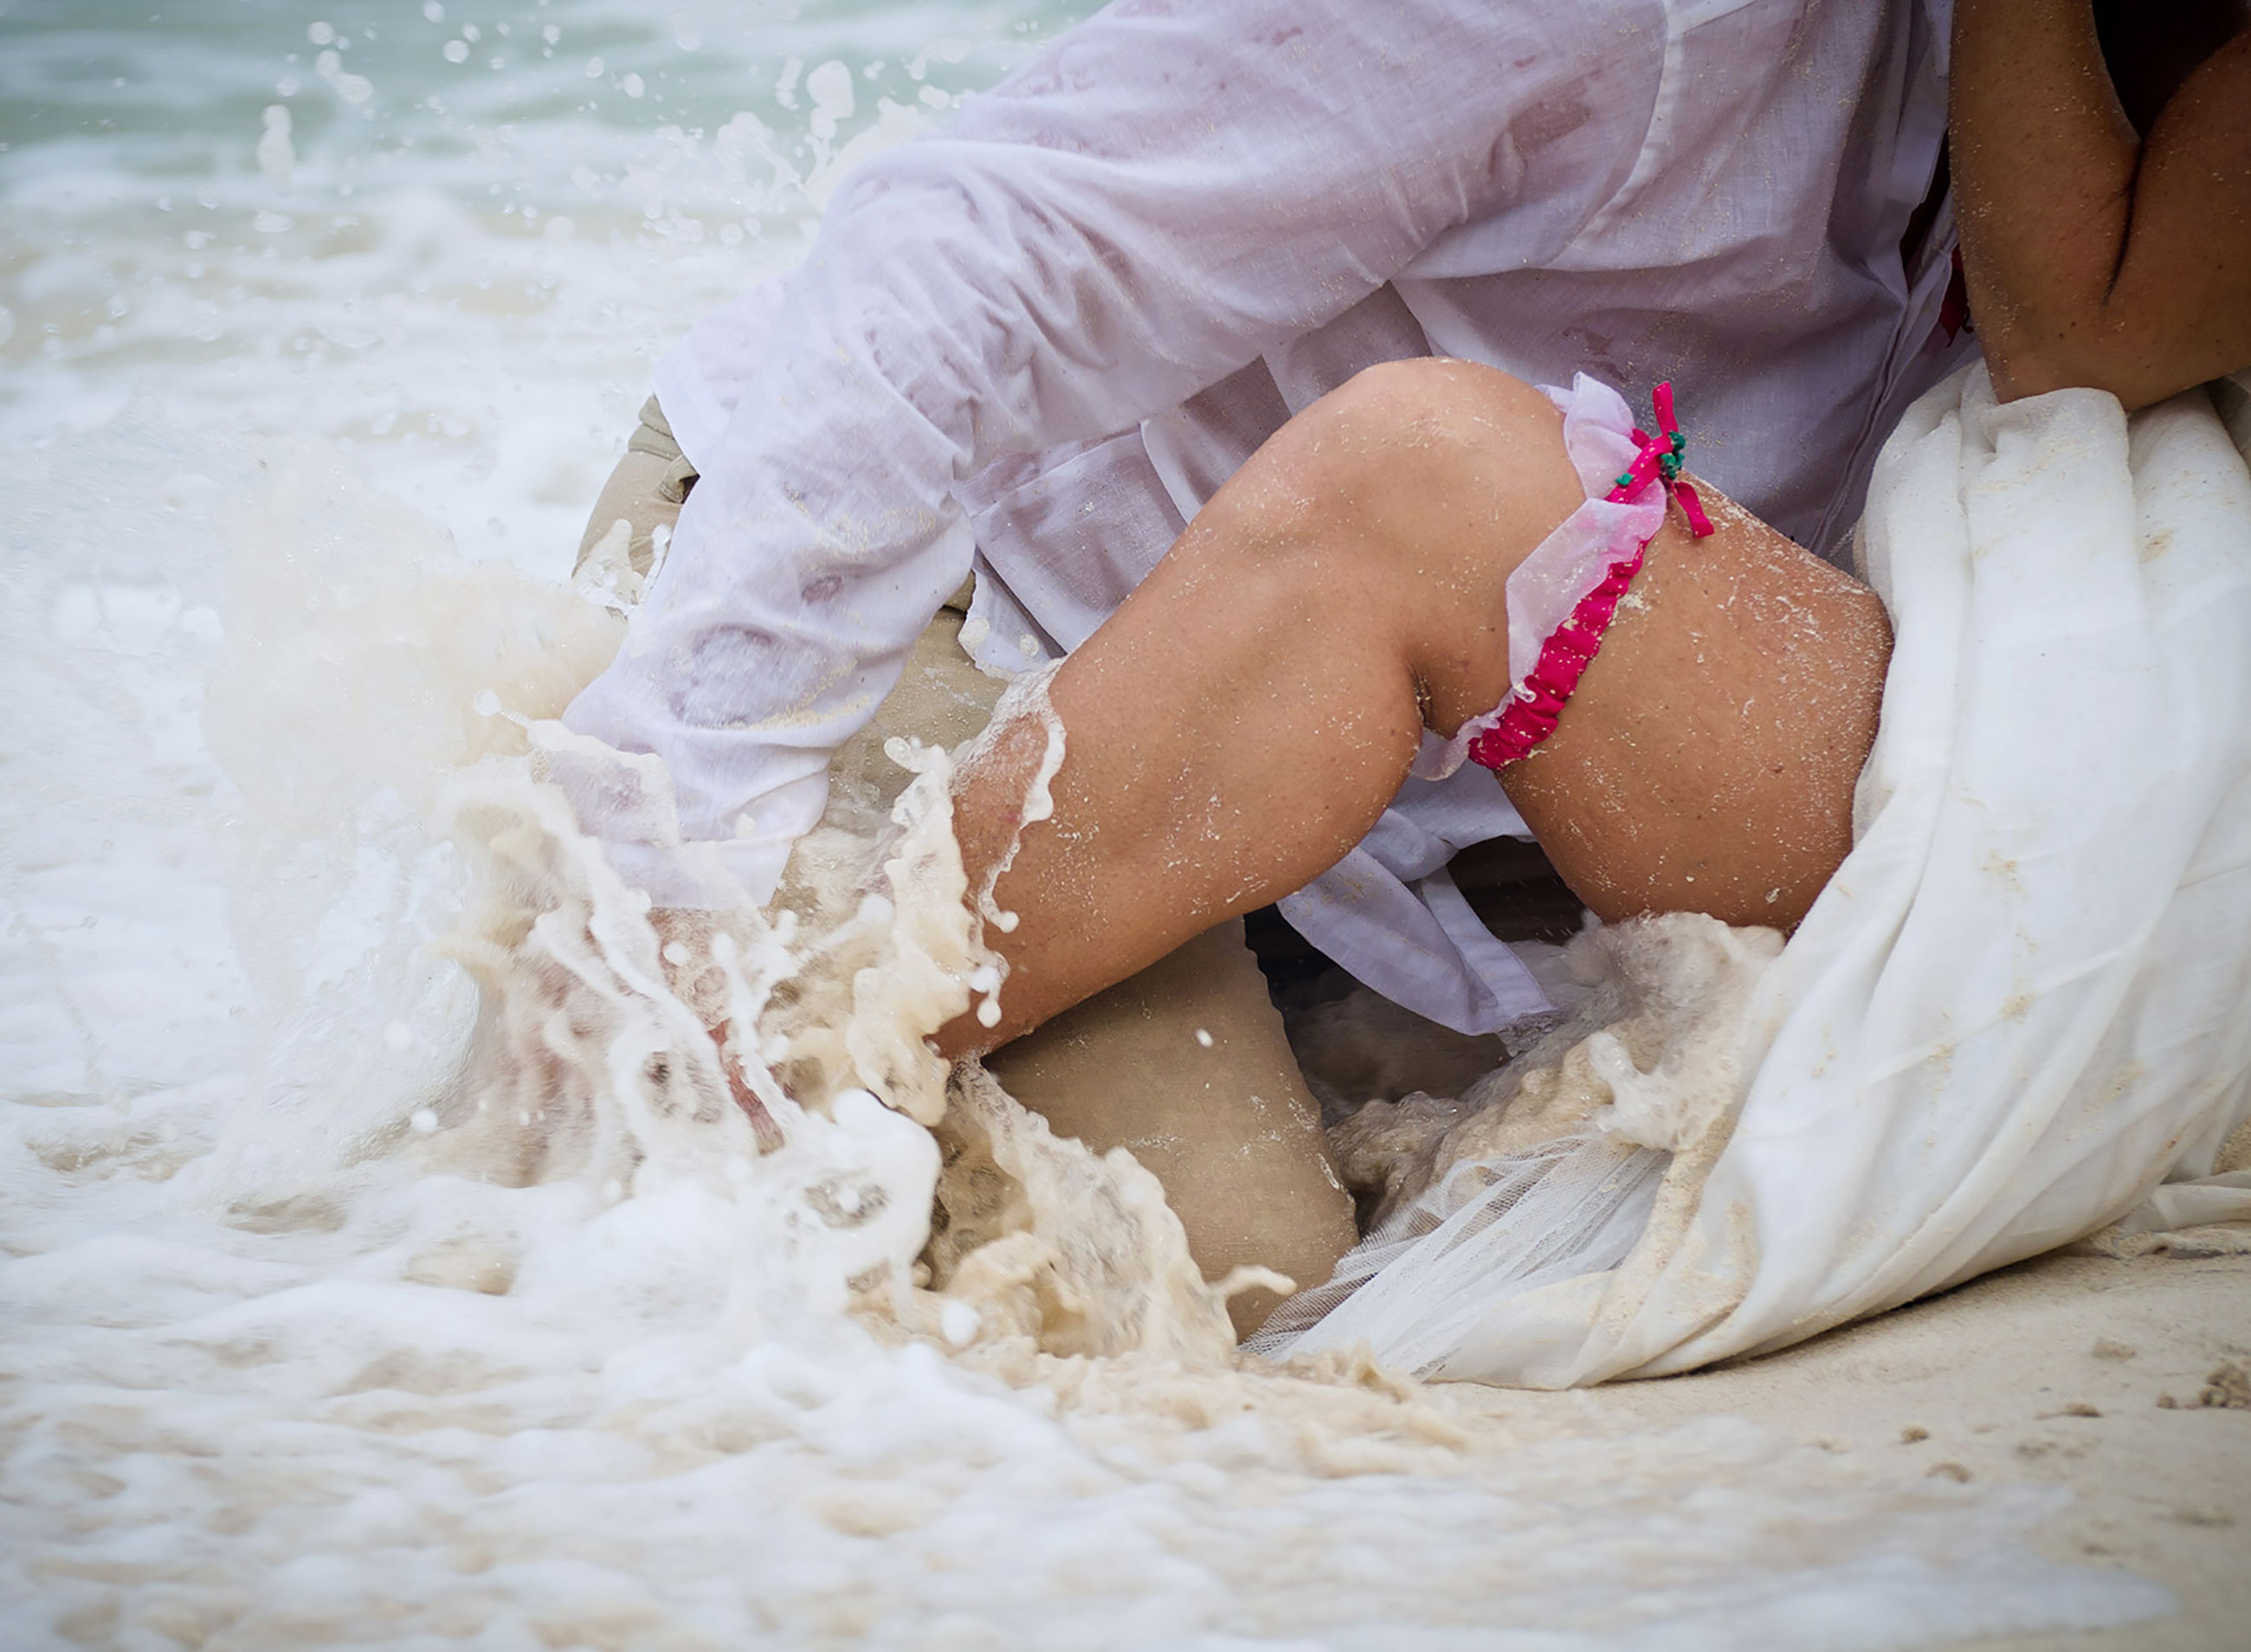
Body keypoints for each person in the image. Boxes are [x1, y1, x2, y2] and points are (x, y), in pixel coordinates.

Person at [564, 0, 1979, 1333]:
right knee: (1203, 1303)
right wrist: (673, 855)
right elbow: (958, 254)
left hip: (1354, 732)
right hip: (934, 588)